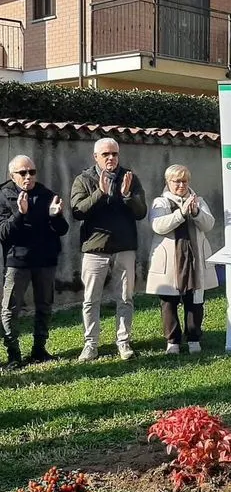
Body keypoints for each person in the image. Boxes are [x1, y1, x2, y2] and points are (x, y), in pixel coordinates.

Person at [71, 138, 147, 362]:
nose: (111, 158)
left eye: (114, 154)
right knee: (91, 300)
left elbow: (141, 211)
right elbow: (77, 211)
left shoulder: (130, 178)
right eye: (105, 154)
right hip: (95, 249)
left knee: (125, 298)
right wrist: (100, 193)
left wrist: (126, 197)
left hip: (124, 248)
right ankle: (90, 344)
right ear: (96, 157)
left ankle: (123, 342)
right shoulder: (83, 180)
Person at [0, 155, 69, 368]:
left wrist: (56, 216)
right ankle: (13, 353)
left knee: (45, 305)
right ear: (12, 176)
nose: (28, 176)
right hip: (17, 261)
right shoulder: (3, 196)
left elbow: (62, 230)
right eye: (23, 173)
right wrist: (20, 214)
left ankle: (39, 349)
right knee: (10, 308)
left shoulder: (46, 194)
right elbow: (3, 233)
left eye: (32, 172)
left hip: (45, 260)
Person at [146, 164, 217, 354]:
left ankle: (194, 339)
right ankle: (173, 342)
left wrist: (195, 213)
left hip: (194, 259)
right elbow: (158, 225)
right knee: (168, 302)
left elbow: (209, 224)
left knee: (194, 301)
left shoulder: (198, 201)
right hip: (171, 261)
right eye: (176, 181)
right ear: (168, 182)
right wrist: (181, 213)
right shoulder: (160, 202)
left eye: (184, 181)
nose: (181, 185)